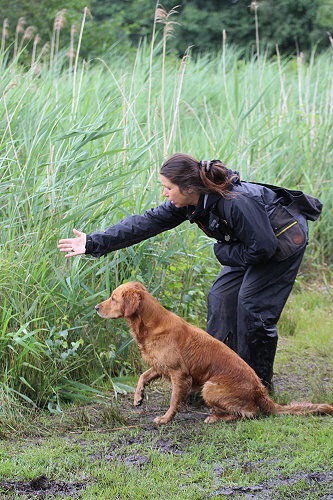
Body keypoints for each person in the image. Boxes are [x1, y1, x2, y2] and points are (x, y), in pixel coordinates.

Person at [58, 153, 322, 389]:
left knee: (252, 305)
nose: (164, 193)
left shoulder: (236, 202)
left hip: (282, 240)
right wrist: (93, 242)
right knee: (220, 299)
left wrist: (223, 253)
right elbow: (145, 223)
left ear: (188, 187)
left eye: (168, 187)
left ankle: (256, 387)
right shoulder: (190, 202)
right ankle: (214, 377)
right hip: (247, 243)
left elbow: (264, 248)